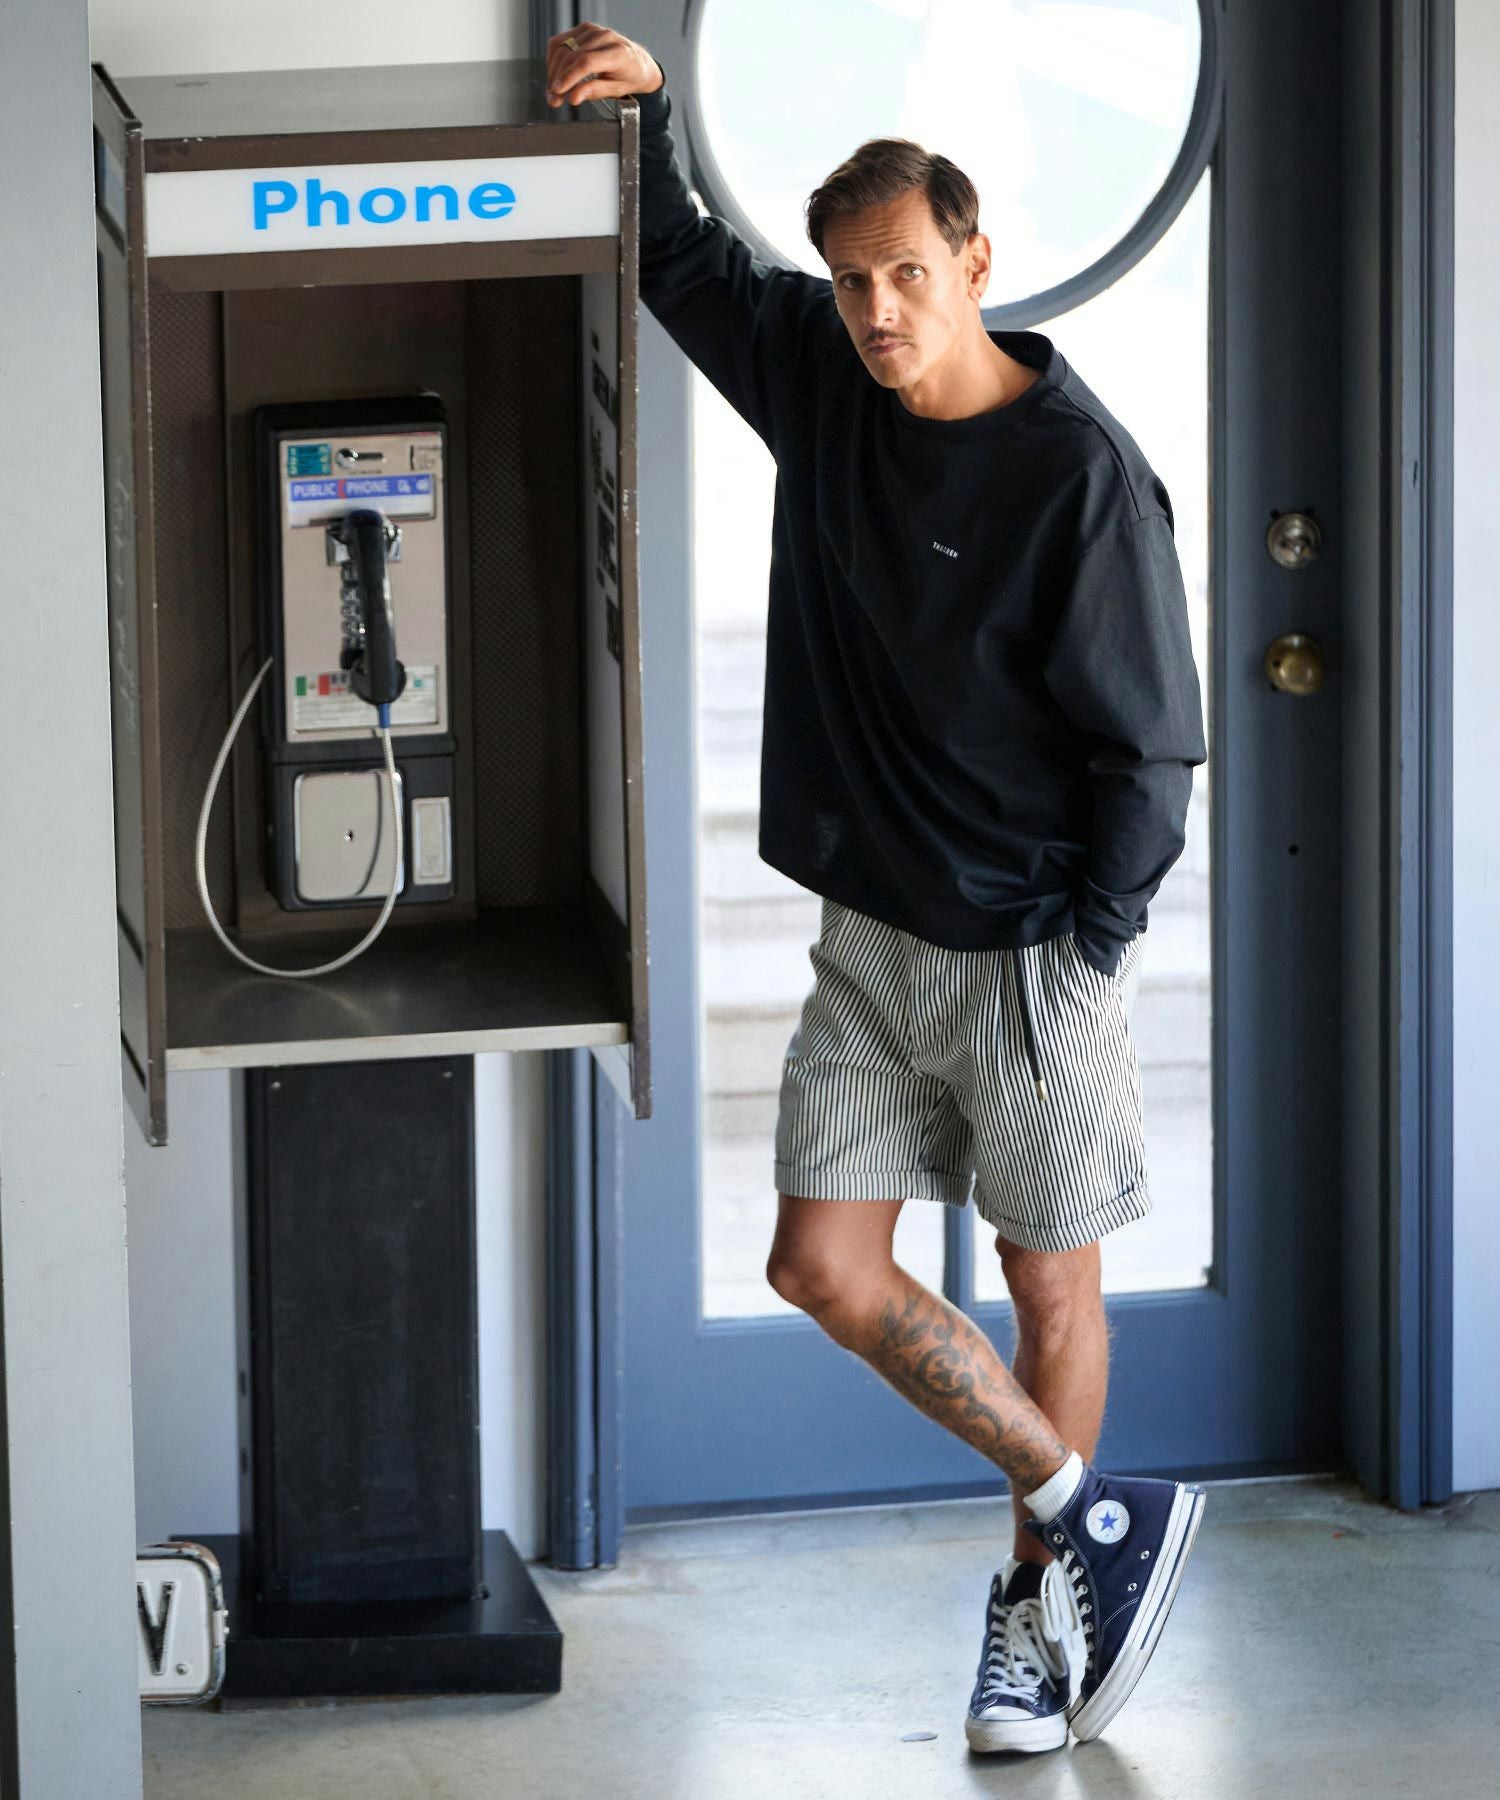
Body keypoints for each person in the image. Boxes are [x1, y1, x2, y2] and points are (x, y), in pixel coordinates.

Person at [547, 22, 1210, 1756]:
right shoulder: (828, 384)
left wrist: (1093, 945)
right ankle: (1095, 1514)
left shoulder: (1079, 476)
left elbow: (1153, 746)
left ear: (974, 263)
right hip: (871, 945)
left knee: (1050, 1291)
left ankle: (1036, 1631)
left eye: (907, 273)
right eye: (851, 282)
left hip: (1034, 955)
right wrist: (651, 113)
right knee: (822, 1267)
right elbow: (682, 260)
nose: (877, 312)